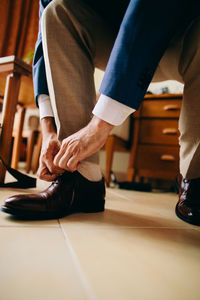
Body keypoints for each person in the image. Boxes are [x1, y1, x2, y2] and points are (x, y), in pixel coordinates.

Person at [1, 0, 200, 225]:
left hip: (182, 31)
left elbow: (150, 9)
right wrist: (48, 129)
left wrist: (99, 125)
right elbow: (44, 36)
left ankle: (195, 178)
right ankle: (83, 180)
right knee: (57, 12)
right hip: (112, 34)